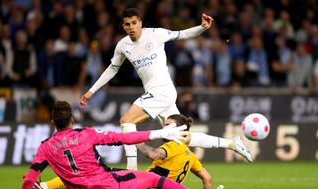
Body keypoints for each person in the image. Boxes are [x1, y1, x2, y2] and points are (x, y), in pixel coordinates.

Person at [80, 8, 252, 170]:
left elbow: (182, 34)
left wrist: (202, 27)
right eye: (127, 24)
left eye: (134, 22)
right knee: (181, 137)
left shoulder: (156, 34)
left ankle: (131, 171)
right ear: (123, 26)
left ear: (140, 22)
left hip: (162, 91)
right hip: (159, 95)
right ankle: (231, 144)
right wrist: (91, 91)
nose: (131, 27)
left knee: (127, 121)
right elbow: (112, 68)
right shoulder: (123, 45)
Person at [3, 101, 222, 189]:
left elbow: (28, 179)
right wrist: (159, 133)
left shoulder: (45, 148)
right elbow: (124, 139)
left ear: (52, 122)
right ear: (72, 119)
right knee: (153, 179)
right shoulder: (86, 134)